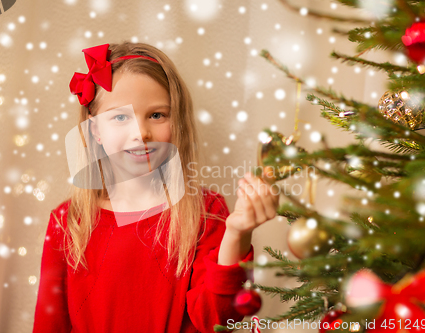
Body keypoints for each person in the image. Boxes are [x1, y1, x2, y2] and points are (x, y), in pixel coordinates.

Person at [32, 41, 279, 333]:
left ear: (178, 122)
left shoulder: (206, 211)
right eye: (120, 117)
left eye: (157, 115)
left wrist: (238, 233)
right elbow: (50, 324)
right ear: (95, 129)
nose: (141, 134)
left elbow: (218, 319)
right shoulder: (67, 223)